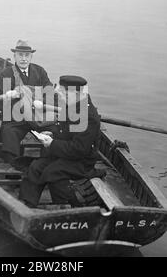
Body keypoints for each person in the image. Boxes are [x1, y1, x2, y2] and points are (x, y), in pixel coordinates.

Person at [19, 75, 104, 208]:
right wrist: (52, 134)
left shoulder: (88, 117)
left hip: (81, 161)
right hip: (67, 155)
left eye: (62, 93)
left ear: (75, 93)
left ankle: (71, 207)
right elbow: (63, 131)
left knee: (52, 172)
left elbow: (79, 149)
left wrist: (52, 144)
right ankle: (26, 205)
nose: (59, 96)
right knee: (36, 167)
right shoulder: (71, 105)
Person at [0, 40, 53, 165]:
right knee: (9, 132)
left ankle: (48, 163)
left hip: (37, 117)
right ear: (15, 56)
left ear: (31, 57)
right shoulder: (6, 74)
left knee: (57, 129)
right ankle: (12, 165)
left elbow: (49, 91)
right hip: (16, 118)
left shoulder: (40, 71)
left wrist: (41, 101)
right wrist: (8, 96)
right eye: (20, 55)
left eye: (27, 56)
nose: (24, 59)